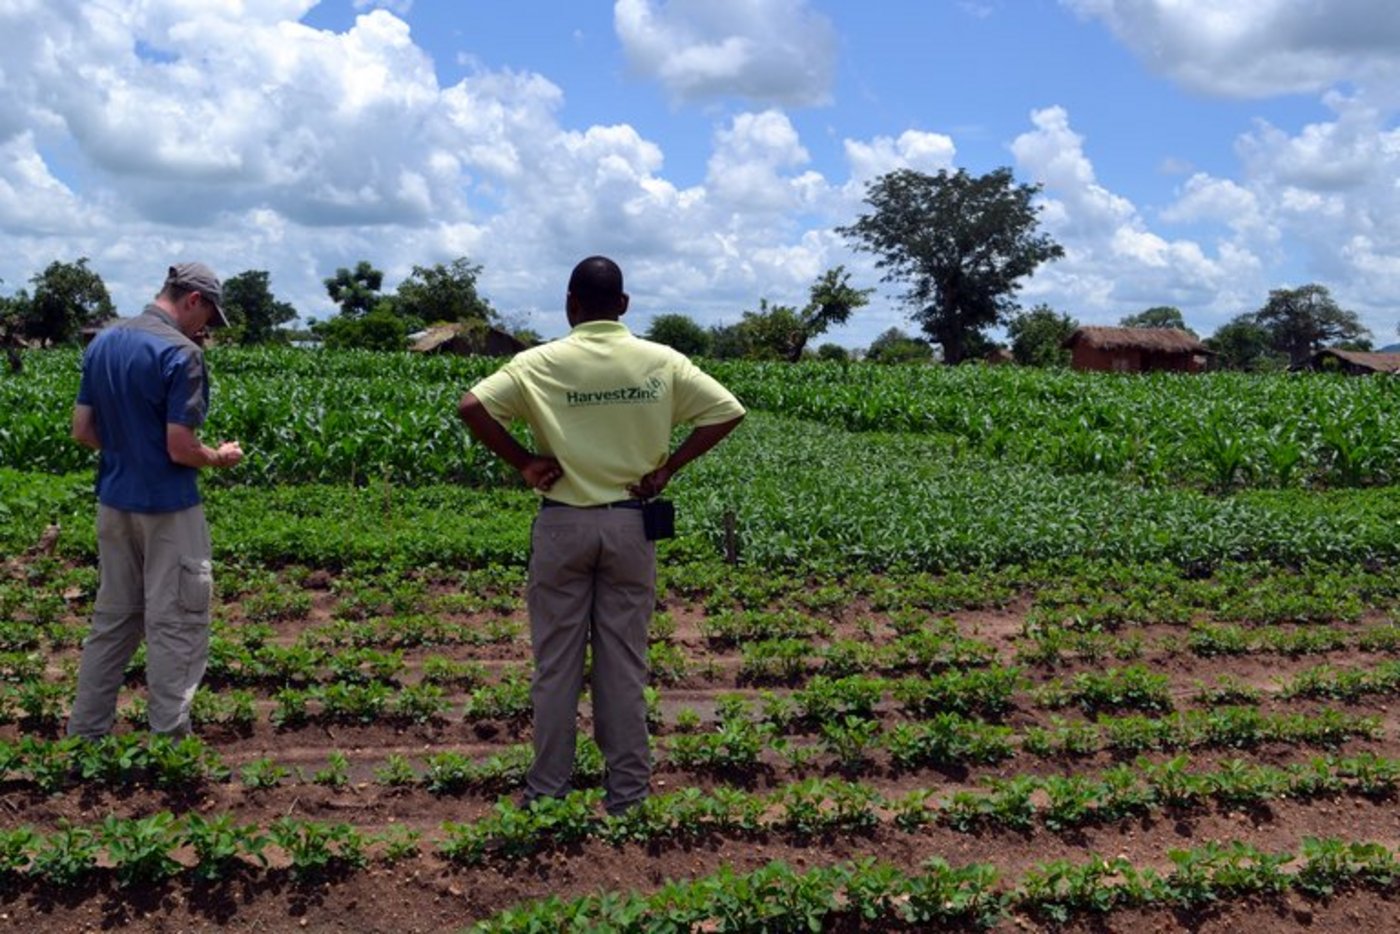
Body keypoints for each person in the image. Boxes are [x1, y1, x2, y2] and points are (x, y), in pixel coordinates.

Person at [458, 256, 744, 815]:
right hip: (631, 524)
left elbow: (472, 406)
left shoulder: (538, 362)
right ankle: (628, 796)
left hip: (563, 523)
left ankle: (547, 792)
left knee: (557, 665)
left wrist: (522, 461)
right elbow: (727, 411)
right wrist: (670, 468)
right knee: (623, 664)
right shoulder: (661, 360)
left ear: (569, 304)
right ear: (624, 305)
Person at [67, 262, 244, 739]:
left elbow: (83, 431)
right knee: (177, 623)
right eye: (207, 315)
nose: (205, 327)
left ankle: (85, 735)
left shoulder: (103, 342)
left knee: (113, 621)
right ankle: (169, 741)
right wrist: (220, 457)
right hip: (168, 509)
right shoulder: (181, 353)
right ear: (192, 300)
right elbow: (180, 448)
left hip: (114, 504)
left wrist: (129, 447)